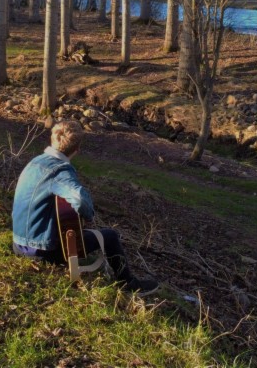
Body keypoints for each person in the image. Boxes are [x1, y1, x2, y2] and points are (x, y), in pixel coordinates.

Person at [12, 120, 159, 296]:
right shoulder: (60, 171)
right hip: (39, 250)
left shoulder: (35, 162)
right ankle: (128, 284)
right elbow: (80, 200)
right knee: (110, 237)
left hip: (18, 242)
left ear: (52, 139)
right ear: (77, 149)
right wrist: (88, 214)